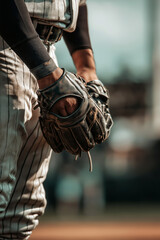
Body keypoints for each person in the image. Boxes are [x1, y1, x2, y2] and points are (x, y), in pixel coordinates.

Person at [0, 0, 102, 239]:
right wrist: (46, 71)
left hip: (48, 55)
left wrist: (86, 64)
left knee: (22, 211)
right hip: (7, 45)